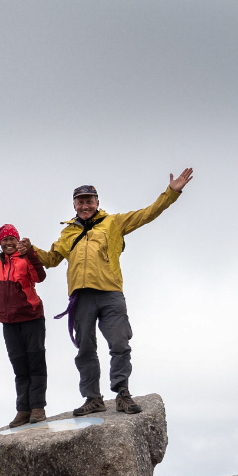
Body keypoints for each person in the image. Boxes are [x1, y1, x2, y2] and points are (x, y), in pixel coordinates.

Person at [34, 169, 193, 416]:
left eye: (89, 201)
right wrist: (30, 250)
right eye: (80, 202)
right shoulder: (68, 232)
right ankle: (93, 398)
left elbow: (147, 214)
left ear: (97, 202)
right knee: (85, 349)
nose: (85, 205)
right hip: (81, 296)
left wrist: (171, 193)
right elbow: (52, 259)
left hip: (110, 294)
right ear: (74, 205)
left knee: (119, 343)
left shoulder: (114, 223)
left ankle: (122, 394)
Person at [0, 199, 48, 427]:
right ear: (1, 243)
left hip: (32, 318)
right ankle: (23, 410)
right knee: (19, 368)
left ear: (18, 240)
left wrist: (31, 252)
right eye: (5, 239)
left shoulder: (25, 259)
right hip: (8, 321)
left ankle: (38, 408)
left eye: (13, 239)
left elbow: (39, 277)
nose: (9, 242)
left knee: (36, 365)